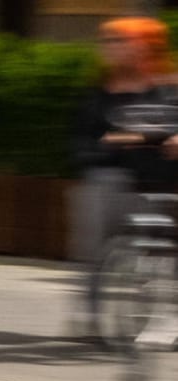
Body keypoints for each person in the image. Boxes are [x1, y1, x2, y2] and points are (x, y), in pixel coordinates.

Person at [70, 16, 178, 335]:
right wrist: (122, 145)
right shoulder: (96, 98)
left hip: (163, 180)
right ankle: (91, 315)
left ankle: (163, 314)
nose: (111, 48)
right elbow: (84, 148)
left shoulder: (169, 91)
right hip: (113, 183)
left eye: (120, 40)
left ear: (145, 47)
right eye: (108, 41)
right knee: (100, 199)